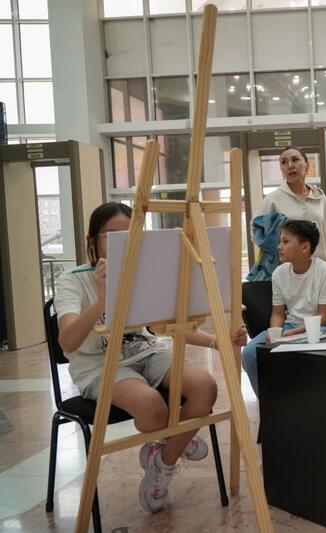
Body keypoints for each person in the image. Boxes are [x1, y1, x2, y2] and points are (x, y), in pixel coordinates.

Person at [54, 202, 247, 514]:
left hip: (148, 352)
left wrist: (218, 341)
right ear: (92, 240)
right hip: (99, 365)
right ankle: (177, 439)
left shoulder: (140, 275)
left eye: (131, 237)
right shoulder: (72, 280)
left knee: (205, 387)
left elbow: (164, 327)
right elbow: (68, 341)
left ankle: (163, 460)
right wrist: (103, 298)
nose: (123, 246)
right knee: (151, 406)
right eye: (112, 237)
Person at [241, 220, 326, 396]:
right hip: (289, 328)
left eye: (285, 241)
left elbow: (324, 316)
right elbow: (277, 313)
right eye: (281, 241)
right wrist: (275, 332)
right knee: (249, 353)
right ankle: (268, 402)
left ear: (305, 247)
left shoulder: (324, 271)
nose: (279, 246)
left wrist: (293, 334)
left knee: (295, 355)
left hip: (322, 328)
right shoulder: (279, 273)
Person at [252, 145, 326, 270]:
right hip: (287, 272)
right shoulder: (273, 200)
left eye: (295, 160)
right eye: (284, 162)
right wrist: (278, 247)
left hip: (318, 270)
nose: (290, 165)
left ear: (307, 165)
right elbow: (256, 232)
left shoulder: (318, 197)